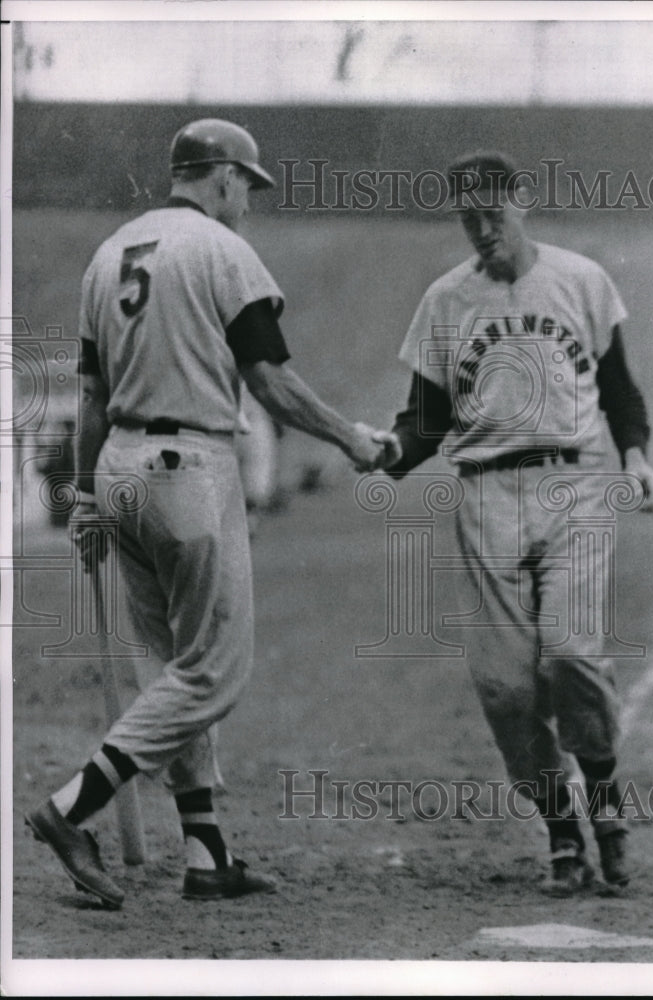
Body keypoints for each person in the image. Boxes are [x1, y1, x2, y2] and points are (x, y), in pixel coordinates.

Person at [25, 119, 384, 909]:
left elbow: (87, 398)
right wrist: (352, 437)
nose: (247, 204)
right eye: (246, 188)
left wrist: (83, 497)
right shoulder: (222, 252)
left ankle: (206, 853)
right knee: (211, 673)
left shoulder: (109, 251)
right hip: (190, 469)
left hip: (119, 468)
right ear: (220, 177)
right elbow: (270, 383)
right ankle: (70, 808)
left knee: (178, 667)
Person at [381, 151, 653, 896]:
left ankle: (603, 804)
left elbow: (620, 391)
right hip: (483, 496)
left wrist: (634, 458)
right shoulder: (445, 301)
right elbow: (425, 424)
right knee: (505, 689)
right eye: (466, 218)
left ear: (521, 202)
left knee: (571, 656)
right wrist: (386, 451)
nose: (480, 230)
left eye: (491, 214)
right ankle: (560, 828)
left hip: (572, 484)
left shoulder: (580, 280)